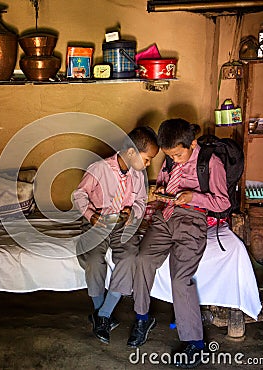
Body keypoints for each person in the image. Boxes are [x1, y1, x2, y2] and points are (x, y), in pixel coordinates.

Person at [127, 118, 231, 368]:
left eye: (178, 154)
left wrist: (193, 196)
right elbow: (164, 181)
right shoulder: (171, 158)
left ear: (192, 143)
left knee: (180, 277)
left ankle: (195, 344)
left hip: (193, 218)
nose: (175, 159)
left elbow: (223, 203)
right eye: (170, 155)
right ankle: (142, 317)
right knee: (142, 259)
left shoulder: (210, 163)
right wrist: (161, 193)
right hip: (167, 215)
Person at [72, 126, 159, 344]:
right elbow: (79, 194)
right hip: (97, 223)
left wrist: (132, 212)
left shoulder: (138, 175)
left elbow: (140, 201)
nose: (148, 165)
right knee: (93, 259)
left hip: (121, 225)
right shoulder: (99, 169)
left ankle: (102, 315)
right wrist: (91, 215)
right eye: (147, 159)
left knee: (129, 258)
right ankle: (101, 312)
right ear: (131, 152)